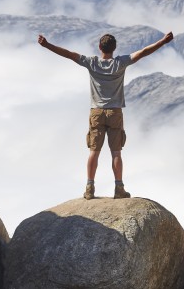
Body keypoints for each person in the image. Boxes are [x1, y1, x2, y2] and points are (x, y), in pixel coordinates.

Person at [37, 31, 174, 199]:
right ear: (114, 48)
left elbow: (69, 55)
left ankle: (89, 188)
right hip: (115, 111)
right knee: (116, 152)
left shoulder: (92, 63)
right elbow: (143, 52)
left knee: (94, 151)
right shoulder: (120, 63)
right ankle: (119, 189)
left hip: (96, 112)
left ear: (99, 47)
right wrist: (163, 41)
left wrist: (47, 45)